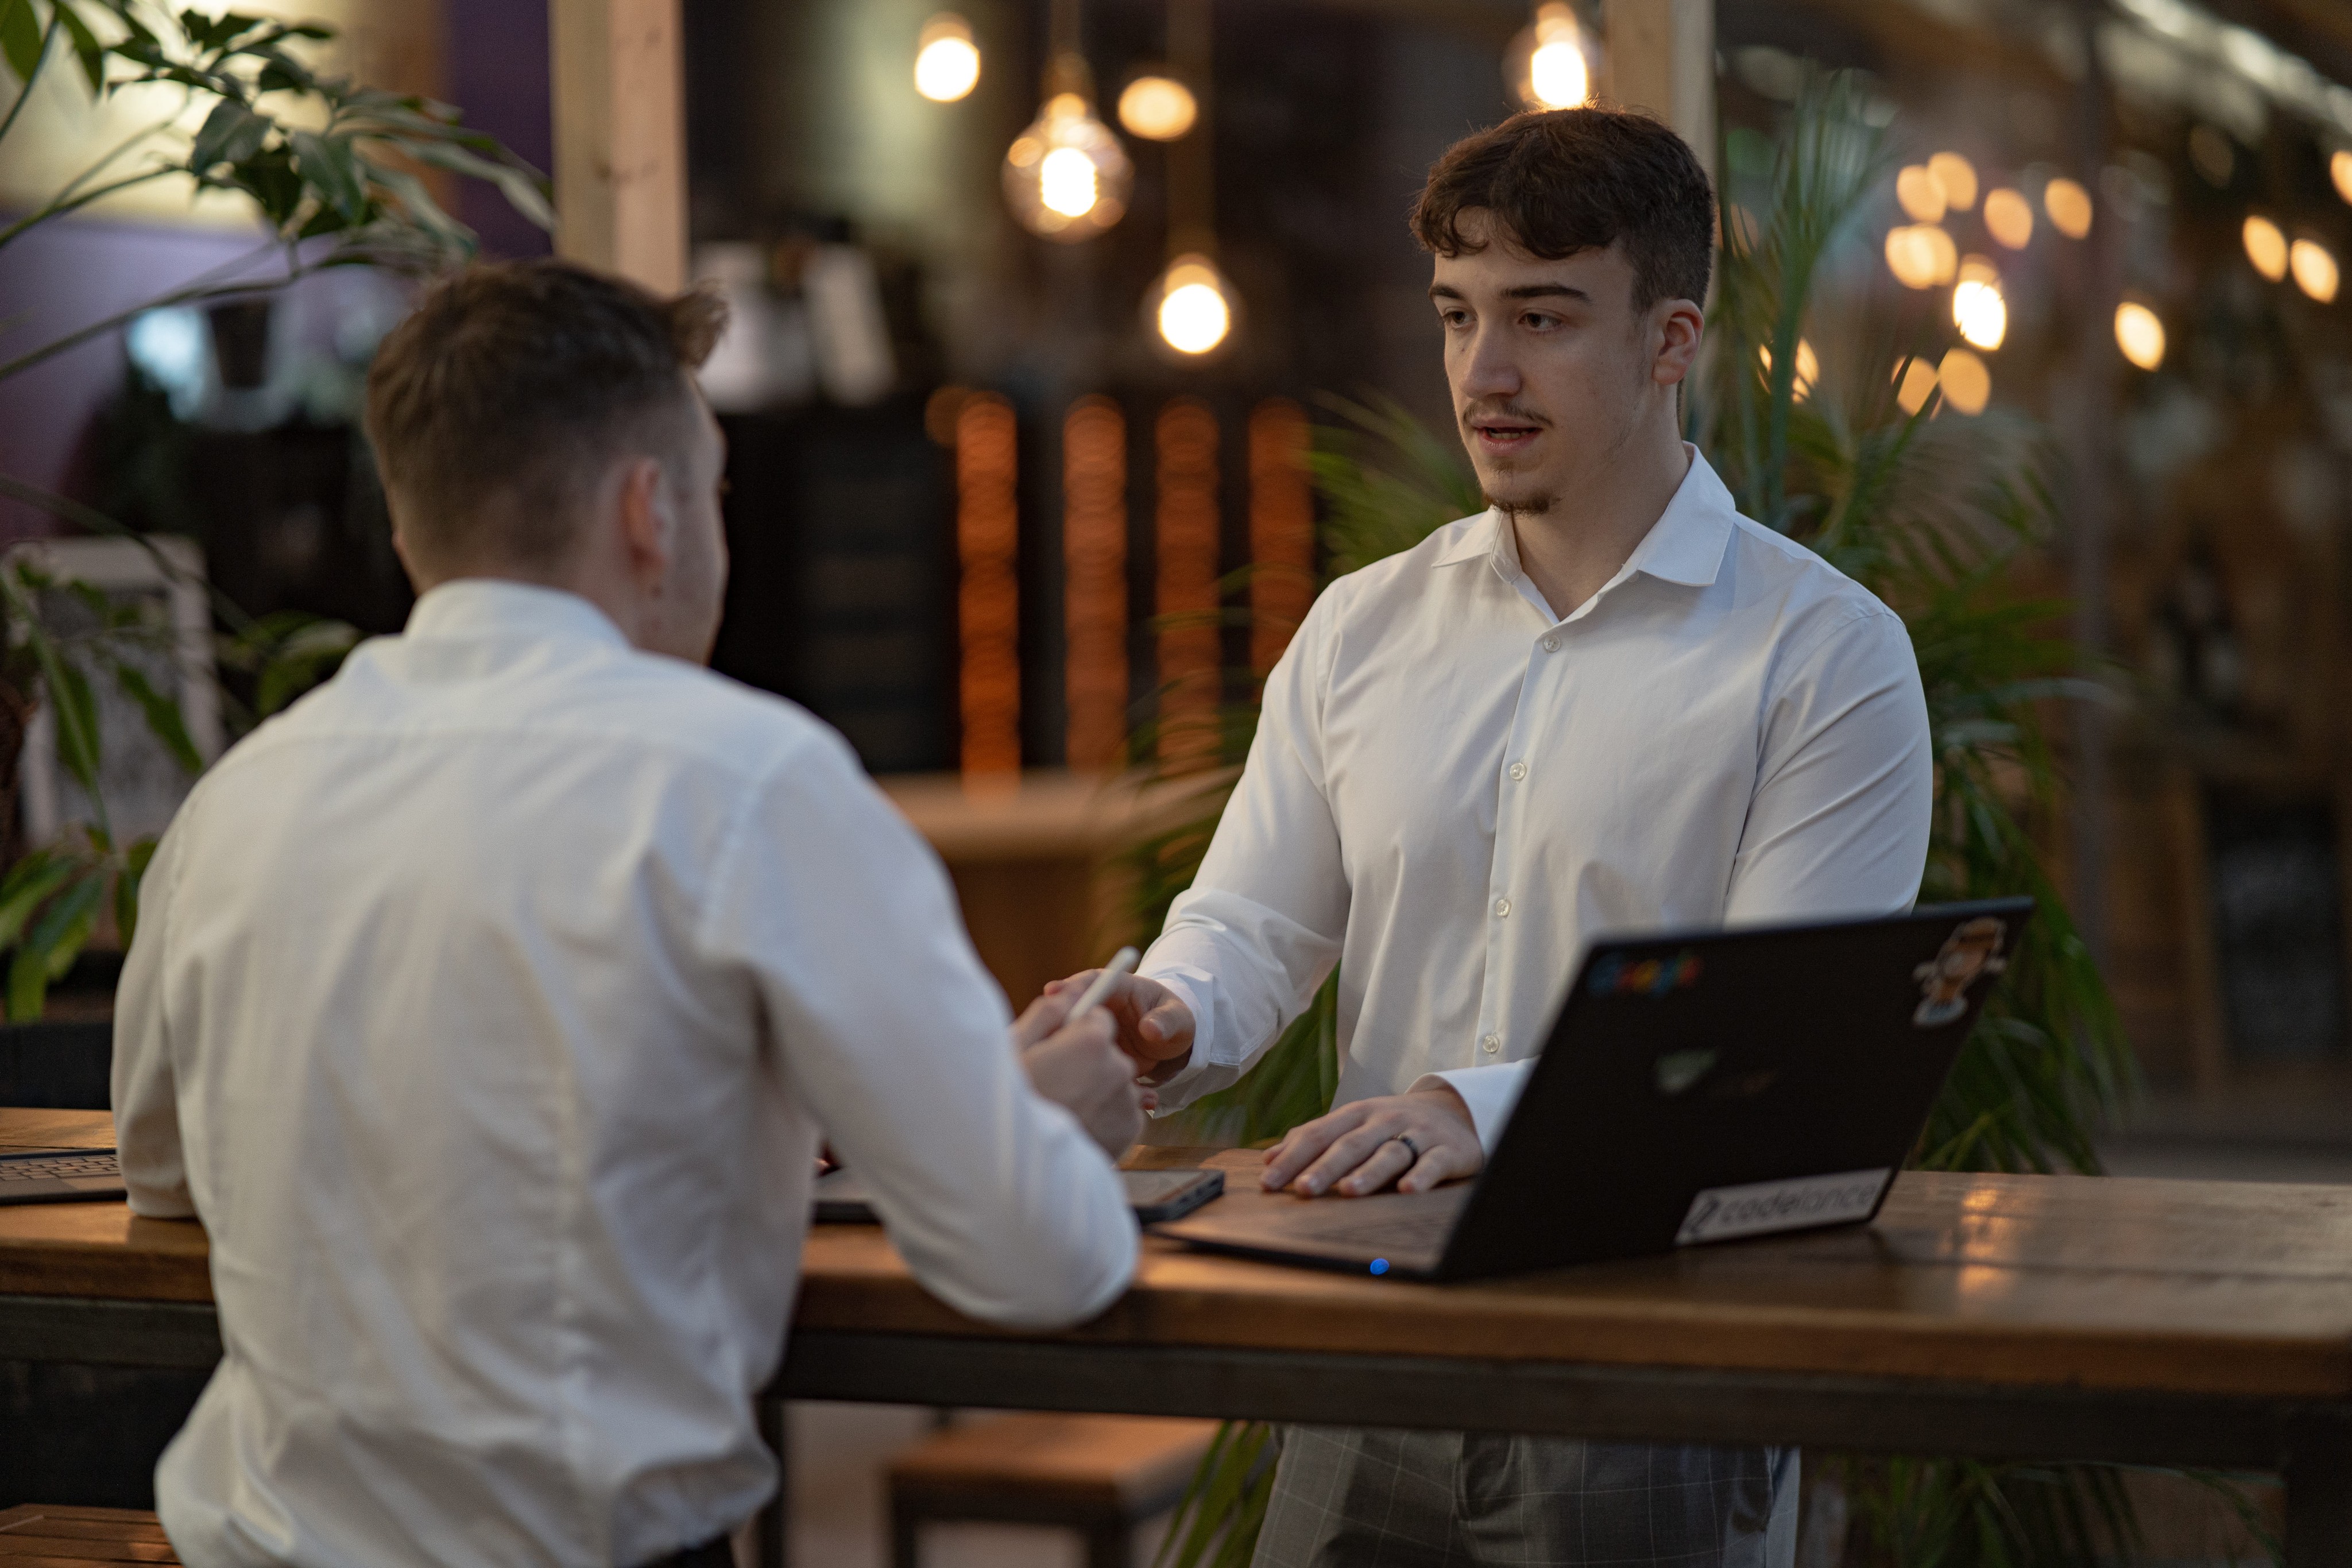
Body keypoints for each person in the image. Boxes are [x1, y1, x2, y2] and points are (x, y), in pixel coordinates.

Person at [111, 260, 1146, 1568]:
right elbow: (1039, 1260)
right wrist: (1042, 1130)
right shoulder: (748, 781)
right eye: (713, 487)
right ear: (650, 511)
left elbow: (161, 1171)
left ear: (411, 522)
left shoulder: (238, 800)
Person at [1052, 107, 1933, 1566]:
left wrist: (1468, 1106)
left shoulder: (1824, 655)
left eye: (1541, 317)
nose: (1484, 373)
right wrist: (1162, 1014)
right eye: (1457, 316)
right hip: (1362, 1339)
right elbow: (1251, 927)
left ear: (1670, 340)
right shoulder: (1362, 626)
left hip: (1643, 1364)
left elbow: (1775, 1048)